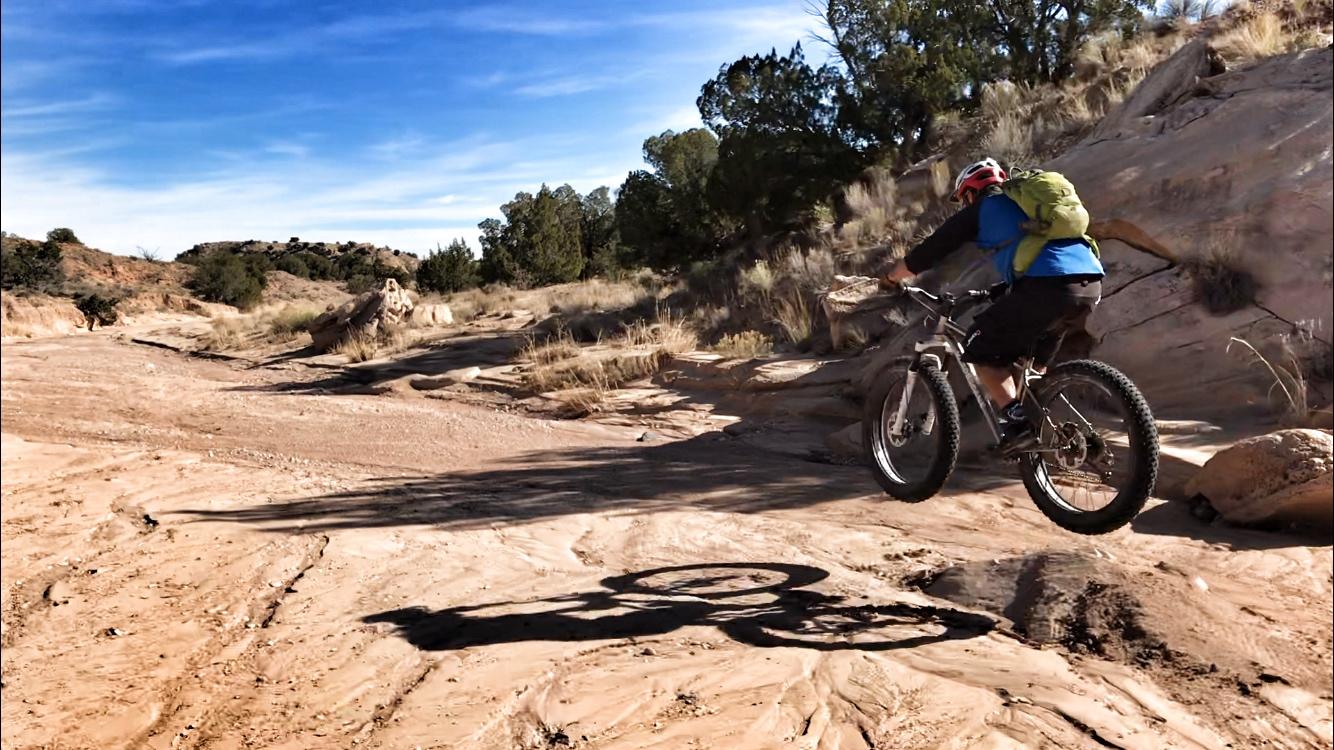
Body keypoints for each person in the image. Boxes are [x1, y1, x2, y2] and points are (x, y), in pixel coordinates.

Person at [880, 157, 1105, 454]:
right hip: (1089, 284)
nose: (964, 204)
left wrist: (892, 278)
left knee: (980, 349)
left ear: (971, 192)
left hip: (1046, 287)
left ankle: (1017, 426)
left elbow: (931, 251)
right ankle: (1045, 435)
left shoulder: (982, 208)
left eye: (963, 198)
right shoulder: (1027, 204)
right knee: (1030, 365)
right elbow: (1036, 253)